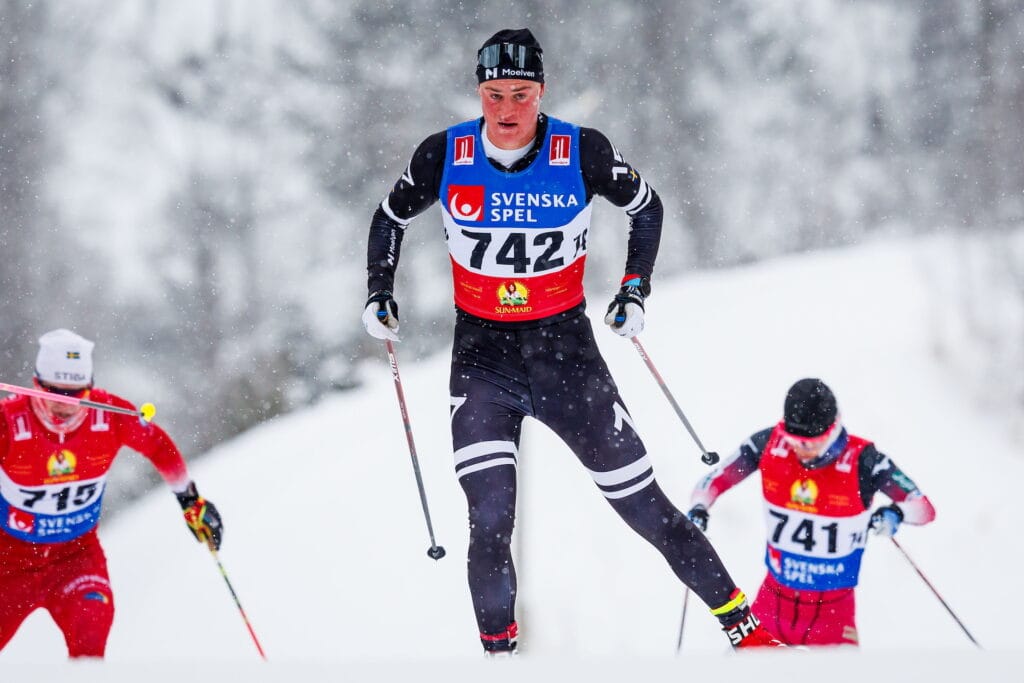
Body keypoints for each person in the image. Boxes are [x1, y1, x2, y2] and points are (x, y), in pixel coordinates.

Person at [362, 28, 781, 654]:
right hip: (483, 360)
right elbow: (389, 218)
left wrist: (634, 288)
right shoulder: (442, 155)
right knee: (490, 523)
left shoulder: (580, 151)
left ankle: (745, 633)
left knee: (645, 508)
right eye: (494, 95)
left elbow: (647, 206)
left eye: (521, 95)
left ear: (542, 92)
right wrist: (378, 292)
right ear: (478, 92)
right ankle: (500, 660)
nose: (506, 111)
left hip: (567, 356)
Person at [0, 329, 223, 658]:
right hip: (10, 565)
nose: (66, 409)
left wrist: (189, 499)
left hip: (75, 560)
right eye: (56, 396)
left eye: (76, 395)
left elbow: (158, 446)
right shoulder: (10, 421)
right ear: (36, 386)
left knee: (91, 645)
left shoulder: (108, 415)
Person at [687, 378, 937, 647]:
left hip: (832, 614)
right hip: (772, 605)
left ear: (835, 426)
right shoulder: (768, 444)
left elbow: (923, 508)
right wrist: (699, 507)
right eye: (794, 440)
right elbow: (713, 481)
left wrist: (896, 514)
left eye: (813, 443)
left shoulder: (865, 460)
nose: (802, 451)